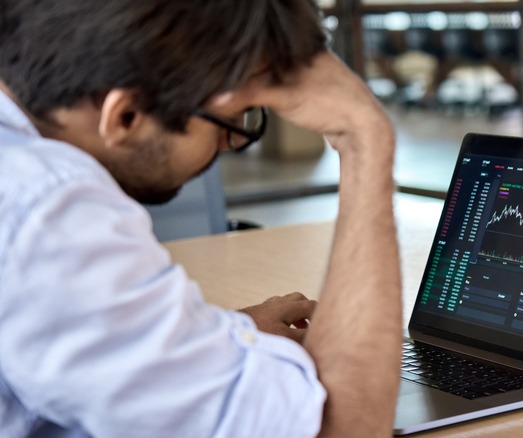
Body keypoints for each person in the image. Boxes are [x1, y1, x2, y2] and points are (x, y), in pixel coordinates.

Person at [0, 1, 402, 437]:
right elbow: (343, 429)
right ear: (125, 117)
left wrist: (214, 339)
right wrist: (363, 135)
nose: (231, 144)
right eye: (229, 121)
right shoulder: (49, 212)